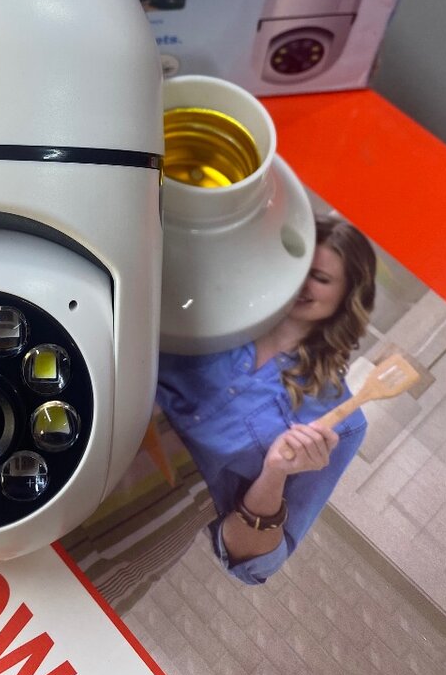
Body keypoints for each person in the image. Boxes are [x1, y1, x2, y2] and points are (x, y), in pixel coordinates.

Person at [156, 216, 376, 585]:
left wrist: (275, 473)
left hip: (144, 525)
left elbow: (252, 565)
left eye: (320, 278)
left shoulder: (339, 421)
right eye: (298, 266)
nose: (303, 282)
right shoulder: (211, 303)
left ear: (347, 297)